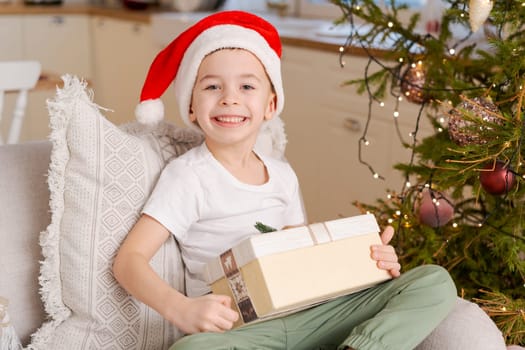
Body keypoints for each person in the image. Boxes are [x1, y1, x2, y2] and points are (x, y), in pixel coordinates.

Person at [113, 10, 457, 350]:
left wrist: (366, 259)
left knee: (433, 281)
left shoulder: (282, 174)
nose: (229, 97)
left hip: (312, 315)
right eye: (212, 86)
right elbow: (129, 260)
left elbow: (299, 252)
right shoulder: (188, 177)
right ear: (191, 107)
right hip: (243, 330)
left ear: (270, 104)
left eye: (247, 86)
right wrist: (181, 309)